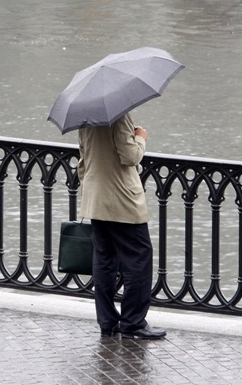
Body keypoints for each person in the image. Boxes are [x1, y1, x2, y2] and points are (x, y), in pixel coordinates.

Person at [77, 113, 166, 340]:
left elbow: (83, 160)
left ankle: (107, 321)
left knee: (104, 261)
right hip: (122, 199)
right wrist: (141, 137)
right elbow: (130, 156)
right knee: (139, 258)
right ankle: (133, 323)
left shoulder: (86, 117)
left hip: (95, 198)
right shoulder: (119, 116)